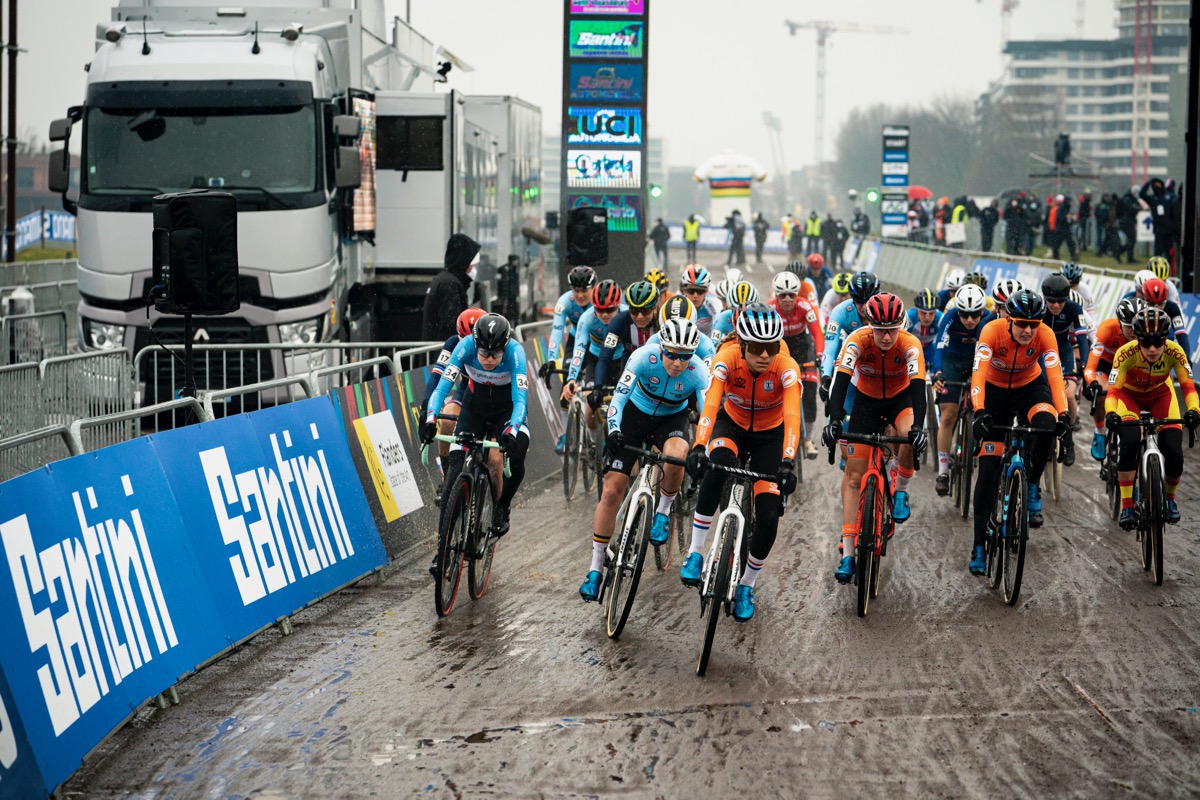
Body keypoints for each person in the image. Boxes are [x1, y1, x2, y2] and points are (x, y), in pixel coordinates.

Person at [680, 305, 799, 622]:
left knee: (770, 514)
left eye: (771, 347)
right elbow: (710, 405)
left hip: (770, 437)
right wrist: (698, 446)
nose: (764, 355)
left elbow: (792, 417)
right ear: (742, 344)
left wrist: (788, 461)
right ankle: (695, 552)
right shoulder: (726, 358)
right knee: (716, 465)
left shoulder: (786, 367)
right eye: (757, 348)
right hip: (729, 426)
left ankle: (747, 584)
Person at [579, 318, 710, 601]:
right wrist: (613, 429)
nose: (677, 362)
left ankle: (662, 512)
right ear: (661, 348)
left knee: (677, 455)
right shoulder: (642, 358)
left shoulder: (700, 372)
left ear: (693, 356)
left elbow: (707, 415)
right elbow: (619, 399)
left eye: (684, 357)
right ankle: (595, 567)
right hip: (633, 417)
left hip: (670, 419)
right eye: (671, 354)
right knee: (612, 490)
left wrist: (702, 446)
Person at [823, 293, 927, 583]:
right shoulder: (857, 339)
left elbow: (919, 391)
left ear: (900, 326)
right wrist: (833, 421)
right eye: (880, 329)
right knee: (854, 478)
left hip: (899, 399)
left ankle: (902, 489)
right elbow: (840, 384)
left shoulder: (910, 344)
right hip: (865, 403)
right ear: (870, 323)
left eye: (892, 328)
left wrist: (919, 426)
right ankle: (848, 553)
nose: (886, 335)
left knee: (908, 435)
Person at [968, 290, 1069, 574]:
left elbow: (1055, 377)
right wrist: (978, 411)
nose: (1027, 330)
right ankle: (978, 545)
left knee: (1047, 426)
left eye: (1033, 325)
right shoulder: (991, 331)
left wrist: (1063, 416)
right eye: (1022, 324)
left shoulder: (1045, 334)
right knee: (987, 470)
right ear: (1008, 319)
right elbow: (978, 373)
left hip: (1029, 387)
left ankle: (1033, 482)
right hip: (994, 393)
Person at [421, 313, 530, 544]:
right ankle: (442, 547)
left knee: (517, 453)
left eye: (496, 353)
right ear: (476, 344)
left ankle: (502, 506)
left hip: (506, 410)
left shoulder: (516, 352)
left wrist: (511, 431)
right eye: (484, 353)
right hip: (474, 407)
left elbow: (520, 400)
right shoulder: (464, 346)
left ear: (505, 346)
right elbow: (441, 389)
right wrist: (430, 418)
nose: (489, 359)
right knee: (453, 476)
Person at [1105, 306, 1200, 529]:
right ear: (1137, 339)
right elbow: (1113, 393)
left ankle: (1170, 500)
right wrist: (1110, 413)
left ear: (1166, 339)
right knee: (1128, 442)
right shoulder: (1125, 354)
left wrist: (1195, 410)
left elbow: (1189, 388)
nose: (1152, 349)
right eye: (1146, 342)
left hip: (1161, 396)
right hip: (1129, 397)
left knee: (1174, 452)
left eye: (1158, 342)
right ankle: (1127, 505)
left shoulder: (1175, 352)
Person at [931, 284, 994, 496]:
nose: (969, 320)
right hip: (953, 361)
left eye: (975, 315)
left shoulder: (988, 320)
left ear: (982, 311)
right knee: (948, 415)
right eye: (965, 315)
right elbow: (939, 345)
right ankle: (942, 472)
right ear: (958, 311)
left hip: (977, 361)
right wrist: (938, 373)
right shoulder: (949, 318)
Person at [421, 307, 487, 475]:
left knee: (495, 458)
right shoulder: (452, 343)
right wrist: (425, 407)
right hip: (467, 388)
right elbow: (437, 376)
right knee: (446, 421)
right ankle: (448, 478)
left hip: (492, 394)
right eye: (464, 339)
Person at [771, 271, 824, 459]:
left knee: (809, 392)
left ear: (797, 295)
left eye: (791, 295)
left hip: (803, 347)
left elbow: (817, 333)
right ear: (775, 295)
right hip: (781, 347)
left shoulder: (805, 306)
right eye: (782, 295)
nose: (786, 299)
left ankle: (808, 439)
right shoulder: (770, 310)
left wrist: (818, 355)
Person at [1040, 274, 1091, 466]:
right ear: (1045, 299)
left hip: (1063, 351)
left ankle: (1068, 440)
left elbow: (1082, 337)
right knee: (1043, 391)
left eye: (1060, 302)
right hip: (1042, 350)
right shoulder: (1039, 307)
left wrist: (1085, 364)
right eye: (1051, 302)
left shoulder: (1074, 308)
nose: (1055, 306)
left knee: (1069, 396)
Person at [1083, 297, 1141, 461]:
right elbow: (1090, 367)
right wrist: (1092, 383)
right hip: (1106, 366)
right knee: (1101, 393)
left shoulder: (1144, 331)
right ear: (1119, 322)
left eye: (1136, 326)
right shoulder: (1107, 329)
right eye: (1128, 327)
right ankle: (1100, 432)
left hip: (1129, 368)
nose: (1133, 332)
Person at [562, 280, 624, 429]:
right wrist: (571, 378)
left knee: (622, 407)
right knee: (591, 407)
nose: (604, 315)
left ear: (618, 306)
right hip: (595, 361)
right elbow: (579, 350)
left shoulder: (627, 315)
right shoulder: (587, 319)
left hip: (620, 361)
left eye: (609, 310)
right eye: (599, 309)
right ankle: (594, 446)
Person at [820, 271, 881, 407]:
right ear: (852, 297)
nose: (864, 306)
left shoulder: (885, 309)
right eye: (859, 300)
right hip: (851, 357)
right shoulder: (840, 311)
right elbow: (830, 348)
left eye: (868, 300)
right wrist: (826, 377)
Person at [591, 280, 661, 391]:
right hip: (629, 368)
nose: (639, 316)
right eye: (634, 310)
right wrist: (597, 386)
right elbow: (604, 358)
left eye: (645, 311)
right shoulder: (619, 322)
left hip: (659, 369)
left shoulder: (664, 322)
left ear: (655, 309)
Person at [421, 232, 480, 340]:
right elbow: (452, 325)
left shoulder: (443, 279)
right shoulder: (450, 285)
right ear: (463, 262)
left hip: (435, 351)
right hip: (443, 353)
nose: (473, 269)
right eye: (472, 265)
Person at [680, 264, 721, 336]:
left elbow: (719, 326)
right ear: (684, 290)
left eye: (700, 291)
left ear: (707, 290)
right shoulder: (678, 304)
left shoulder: (714, 303)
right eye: (691, 291)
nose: (695, 295)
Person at [1116, 188, 1140, 264]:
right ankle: (1127, 256)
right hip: (1127, 222)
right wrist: (1137, 209)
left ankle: (1120, 252)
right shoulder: (1128, 199)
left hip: (1126, 222)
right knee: (1132, 239)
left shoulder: (1129, 199)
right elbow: (1131, 209)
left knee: (1131, 240)